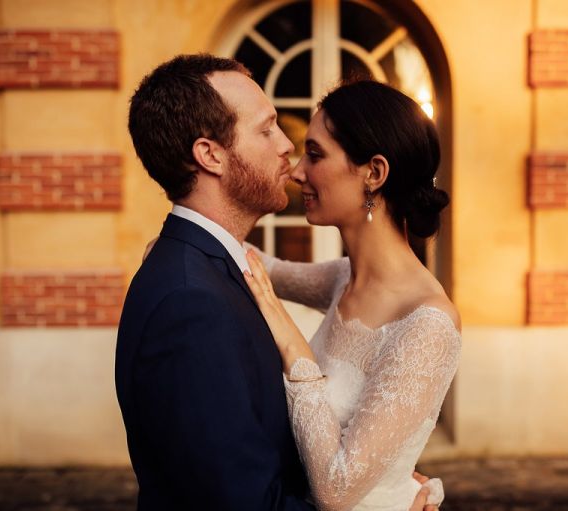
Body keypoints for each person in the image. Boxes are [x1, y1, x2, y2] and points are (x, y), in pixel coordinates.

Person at [115, 54, 437, 510]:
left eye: (314, 151)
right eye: (266, 130)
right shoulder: (191, 301)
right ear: (209, 155)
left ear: (375, 174)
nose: (289, 150)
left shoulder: (209, 272)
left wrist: (385, 479)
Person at [242, 80, 462, 510]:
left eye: (316, 154)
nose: (297, 171)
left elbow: (337, 491)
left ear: (374, 174)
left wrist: (294, 348)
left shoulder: (427, 323)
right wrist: (188, 239)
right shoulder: (343, 278)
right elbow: (265, 269)